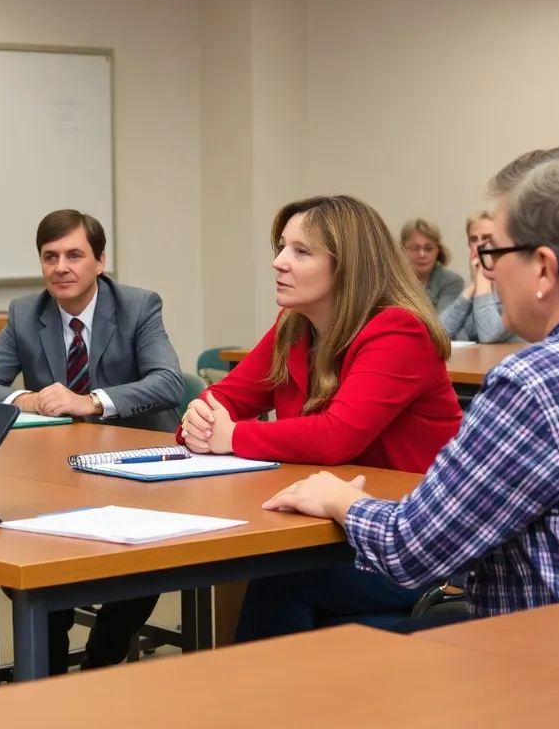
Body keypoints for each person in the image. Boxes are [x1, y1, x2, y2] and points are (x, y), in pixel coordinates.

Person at [264, 146, 559, 622]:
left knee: (279, 582)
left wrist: (341, 500)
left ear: (543, 267)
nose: (490, 272)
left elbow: (413, 550)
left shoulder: (534, 387)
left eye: (494, 253)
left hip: (546, 662)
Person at [177, 195, 462, 641]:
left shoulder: (398, 329)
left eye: (300, 251)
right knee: (272, 570)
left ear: (349, 266)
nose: (278, 262)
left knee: (279, 578)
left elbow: (336, 438)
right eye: (281, 247)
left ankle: (257, 704)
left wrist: (232, 436)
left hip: (409, 543)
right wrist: (200, 420)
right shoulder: (294, 323)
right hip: (329, 528)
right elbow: (223, 399)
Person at [0, 209, 183, 675]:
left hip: (140, 469)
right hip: (57, 473)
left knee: (149, 563)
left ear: (100, 261)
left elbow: (167, 383)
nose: (61, 267)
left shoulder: (139, 305)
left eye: (74, 255)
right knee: (19, 549)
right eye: (50, 257)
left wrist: (91, 401)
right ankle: (46, 658)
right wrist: (25, 397)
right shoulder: (28, 312)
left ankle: (103, 657)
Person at [439, 209, 514, 343]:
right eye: (474, 239)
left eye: (487, 238)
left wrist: (482, 277)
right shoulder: (477, 285)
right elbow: (438, 333)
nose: (480, 245)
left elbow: (489, 334)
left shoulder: (515, 282)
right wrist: (472, 286)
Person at [401, 218, 464, 311]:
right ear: (402, 249)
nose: (422, 255)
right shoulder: (392, 282)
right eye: (414, 248)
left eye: (428, 248)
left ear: (438, 250)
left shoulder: (452, 282)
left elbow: (442, 322)